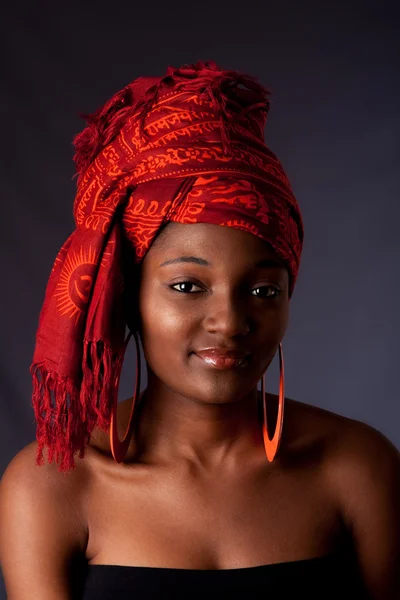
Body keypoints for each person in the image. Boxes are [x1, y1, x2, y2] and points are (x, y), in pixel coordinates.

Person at [0, 60, 399, 599]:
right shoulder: (53, 485)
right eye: (188, 286)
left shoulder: (358, 468)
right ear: (128, 296)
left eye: (263, 291)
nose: (230, 322)